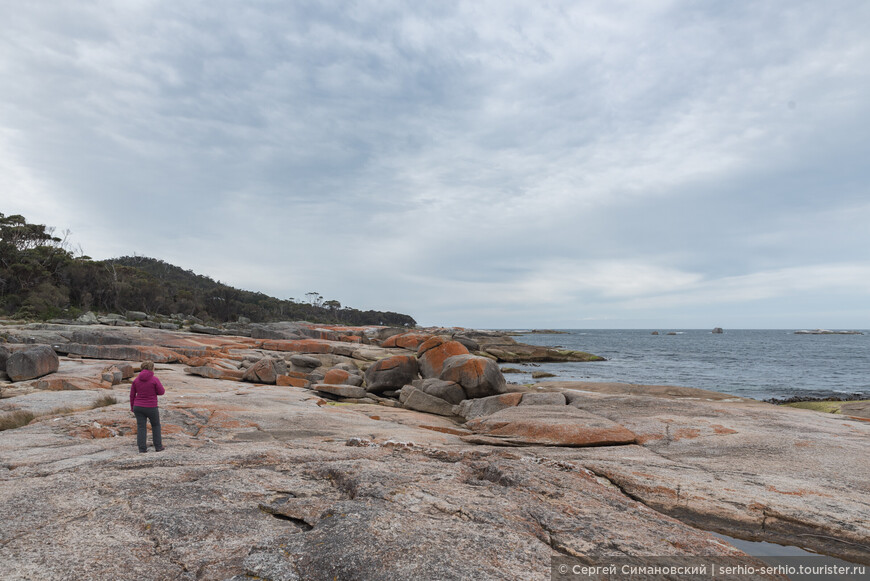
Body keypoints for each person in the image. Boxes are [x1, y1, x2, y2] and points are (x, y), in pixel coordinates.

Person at [130, 360, 165, 453]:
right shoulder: (154, 379)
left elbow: (132, 395)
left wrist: (132, 407)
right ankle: (158, 446)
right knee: (156, 425)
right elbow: (161, 392)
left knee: (141, 427)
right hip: (151, 407)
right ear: (152, 368)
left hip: (138, 406)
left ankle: (142, 449)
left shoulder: (136, 380)